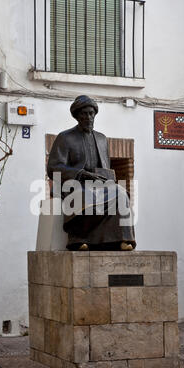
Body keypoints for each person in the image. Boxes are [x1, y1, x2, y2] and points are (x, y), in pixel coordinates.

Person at [47, 95, 136, 251]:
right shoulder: (65, 138)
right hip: (74, 183)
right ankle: (78, 239)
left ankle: (121, 239)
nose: (88, 117)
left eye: (91, 113)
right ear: (77, 116)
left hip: (99, 184)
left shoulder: (102, 139)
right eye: (84, 114)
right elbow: (53, 167)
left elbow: (105, 167)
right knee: (83, 195)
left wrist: (106, 178)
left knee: (120, 193)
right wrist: (81, 174)